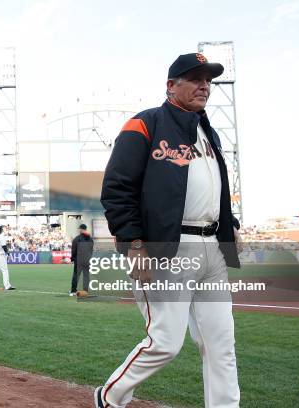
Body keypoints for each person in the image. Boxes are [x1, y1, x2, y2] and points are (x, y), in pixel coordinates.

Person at [96, 53, 242, 408]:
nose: (204, 86)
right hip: (167, 247)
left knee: (221, 344)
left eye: (208, 80)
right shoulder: (146, 123)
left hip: (211, 248)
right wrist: (133, 243)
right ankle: (111, 395)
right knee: (165, 341)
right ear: (171, 86)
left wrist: (230, 224)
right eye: (194, 78)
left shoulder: (209, 132)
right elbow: (117, 187)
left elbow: (211, 190)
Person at [69, 223, 94, 296]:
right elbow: (91, 250)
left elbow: (73, 250)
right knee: (86, 275)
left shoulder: (77, 239)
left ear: (80, 229)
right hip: (87, 260)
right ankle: (85, 291)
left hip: (79, 260)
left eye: (79, 229)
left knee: (76, 275)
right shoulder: (90, 239)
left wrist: (72, 258)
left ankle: (73, 291)